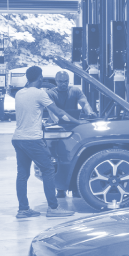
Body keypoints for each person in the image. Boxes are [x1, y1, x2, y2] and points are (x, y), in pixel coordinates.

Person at [11, 67, 71, 220]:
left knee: (23, 174)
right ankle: (53, 207)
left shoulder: (19, 93)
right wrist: (77, 122)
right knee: (48, 169)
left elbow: (30, 113)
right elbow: (58, 112)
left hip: (18, 138)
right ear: (39, 78)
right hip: (32, 139)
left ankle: (23, 209)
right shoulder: (39, 93)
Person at [45, 70, 90, 200]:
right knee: (57, 160)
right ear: (56, 81)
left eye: (65, 81)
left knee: (75, 157)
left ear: (68, 81)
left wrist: (89, 111)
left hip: (73, 128)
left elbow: (84, 102)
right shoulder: (50, 93)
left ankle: (75, 188)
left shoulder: (75, 91)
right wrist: (55, 120)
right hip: (56, 130)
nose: (63, 84)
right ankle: (60, 188)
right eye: (60, 81)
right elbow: (52, 110)